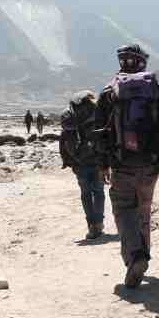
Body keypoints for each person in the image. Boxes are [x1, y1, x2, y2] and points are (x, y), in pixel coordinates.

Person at [94, 44, 159, 289]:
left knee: (123, 211)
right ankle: (143, 257)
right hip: (149, 165)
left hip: (122, 165)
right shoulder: (153, 90)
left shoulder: (109, 91)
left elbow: (100, 133)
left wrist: (103, 164)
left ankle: (135, 257)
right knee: (143, 212)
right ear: (142, 62)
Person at [60, 91, 105, 239]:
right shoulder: (95, 112)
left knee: (85, 194)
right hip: (97, 160)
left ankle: (91, 226)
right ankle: (99, 224)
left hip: (79, 162)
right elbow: (104, 138)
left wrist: (68, 160)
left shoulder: (71, 115)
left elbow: (63, 141)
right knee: (98, 192)